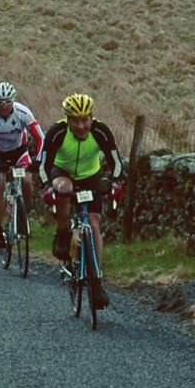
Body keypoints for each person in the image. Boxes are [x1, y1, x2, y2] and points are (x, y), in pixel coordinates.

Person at [41, 92, 123, 311]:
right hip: (63, 174)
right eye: (75, 121)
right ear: (67, 119)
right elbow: (43, 164)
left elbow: (115, 160)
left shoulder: (100, 131)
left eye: (85, 119)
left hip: (90, 177)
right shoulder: (57, 132)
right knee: (65, 189)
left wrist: (116, 182)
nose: (80, 126)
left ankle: (96, 279)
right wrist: (47, 187)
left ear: (91, 117)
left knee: (94, 223)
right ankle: (62, 232)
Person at [0, 81, 44, 251]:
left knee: (27, 181)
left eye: (7, 102)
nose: (4, 106)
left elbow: (41, 138)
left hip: (18, 152)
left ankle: (21, 213)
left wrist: (38, 160)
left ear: (13, 101)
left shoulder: (23, 113)